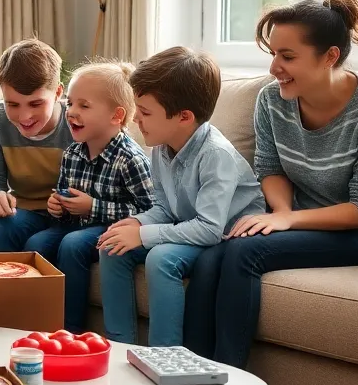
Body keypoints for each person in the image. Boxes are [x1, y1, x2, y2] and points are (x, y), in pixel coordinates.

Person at [184, 0, 358, 385]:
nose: (275, 67)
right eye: (272, 53)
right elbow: (271, 167)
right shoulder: (272, 100)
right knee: (212, 252)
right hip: (306, 217)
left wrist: (286, 220)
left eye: (287, 56)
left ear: (330, 55)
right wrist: (279, 214)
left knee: (243, 251)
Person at [95, 47, 263, 348]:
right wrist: (133, 222)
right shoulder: (161, 145)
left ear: (184, 116)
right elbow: (162, 206)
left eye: (145, 112)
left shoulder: (216, 155)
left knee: (161, 258)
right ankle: (120, 348)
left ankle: (166, 356)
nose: (136, 120)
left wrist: (144, 234)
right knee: (112, 245)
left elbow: (210, 229)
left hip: (225, 237)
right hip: (187, 227)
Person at [52, 61, 154, 333]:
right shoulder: (72, 154)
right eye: (70, 103)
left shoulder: (130, 159)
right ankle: (43, 321)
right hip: (78, 223)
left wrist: (93, 207)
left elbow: (148, 210)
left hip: (111, 227)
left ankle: (70, 330)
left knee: (73, 244)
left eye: (84, 106)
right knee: (37, 241)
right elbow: (63, 193)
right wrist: (57, 204)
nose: (71, 111)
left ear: (116, 116)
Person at [0, 37, 76, 263]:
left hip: (73, 217)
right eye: (12, 104)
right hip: (24, 212)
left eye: (35, 104)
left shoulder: (77, 122)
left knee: (40, 244)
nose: (24, 117)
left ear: (58, 93)